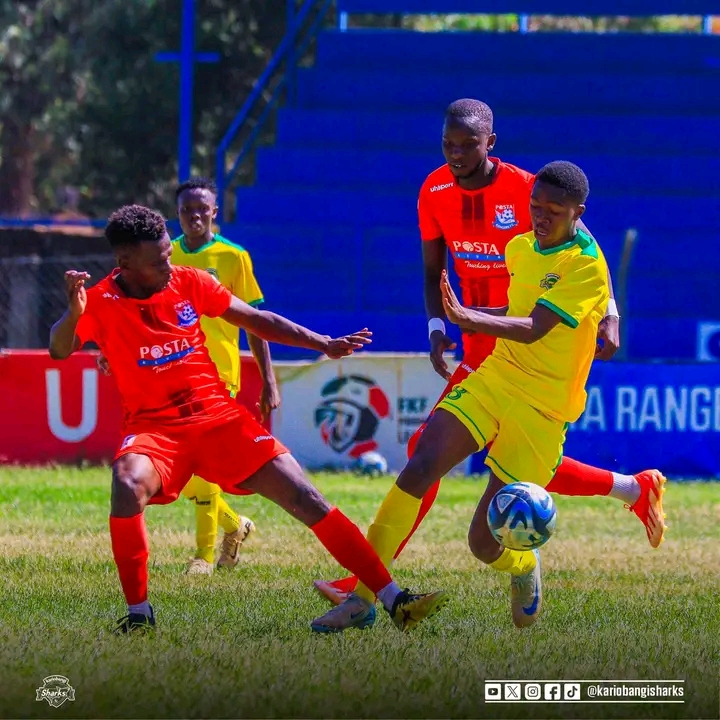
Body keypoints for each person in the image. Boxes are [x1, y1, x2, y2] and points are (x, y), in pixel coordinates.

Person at [313, 99, 666, 607]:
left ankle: (366, 581)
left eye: (467, 144)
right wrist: (438, 325)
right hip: (483, 337)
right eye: (448, 144)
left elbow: (588, 250)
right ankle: (632, 490)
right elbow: (432, 267)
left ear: (490, 144)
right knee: (449, 454)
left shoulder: (530, 190)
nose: (456, 154)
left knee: (477, 456)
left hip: (521, 337)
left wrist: (610, 312)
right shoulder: (433, 189)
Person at [49, 204, 447, 634]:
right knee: (126, 484)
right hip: (154, 430)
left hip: (219, 419)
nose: (170, 262)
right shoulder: (102, 300)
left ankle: (393, 599)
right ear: (124, 262)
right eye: (159, 258)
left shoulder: (189, 281)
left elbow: (258, 319)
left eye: (168, 253)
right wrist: (73, 313)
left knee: (305, 496)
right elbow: (58, 349)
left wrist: (322, 343)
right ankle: (140, 615)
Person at [173, 177, 278, 574]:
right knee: (179, 470)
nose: (195, 216)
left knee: (202, 465)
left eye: (203, 209)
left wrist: (268, 380)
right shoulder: (166, 256)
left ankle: (202, 556)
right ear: (178, 214)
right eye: (187, 210)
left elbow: (256, 323)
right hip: (173, 370)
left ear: (215, 212)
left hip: (219, 373)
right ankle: (235, 524)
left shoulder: (234, 257)